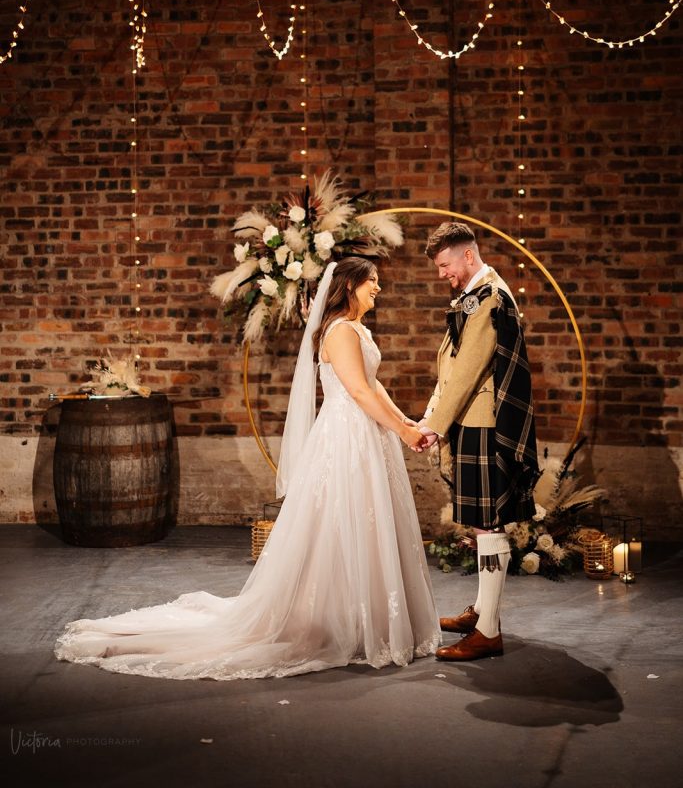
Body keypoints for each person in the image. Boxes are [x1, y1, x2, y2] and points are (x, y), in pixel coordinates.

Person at [55, 257, 440, 680]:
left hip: (366, 434)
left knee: (365, 523)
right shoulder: (341, 331)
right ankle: (338, 620)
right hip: (348, 437)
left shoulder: (359, 329)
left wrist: (406, 421)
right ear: (349, 286)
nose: (377, 288)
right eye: (372, 282)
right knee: (339, 524)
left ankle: (365, 616)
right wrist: (403, 433)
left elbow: (375, 385)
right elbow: (359, 392)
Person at [417, 222, 539, 662]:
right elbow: (452, 366)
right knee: (482, 524)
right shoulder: (478, 293)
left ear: (468, 255)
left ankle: (488, 632)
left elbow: (468, 370)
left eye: (445, 264)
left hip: (484, 424)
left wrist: (434, 426)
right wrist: (433, 416)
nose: (442, 274)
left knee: (488, 523)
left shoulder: (490, 297)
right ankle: (484, 612)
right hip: (472, 420)